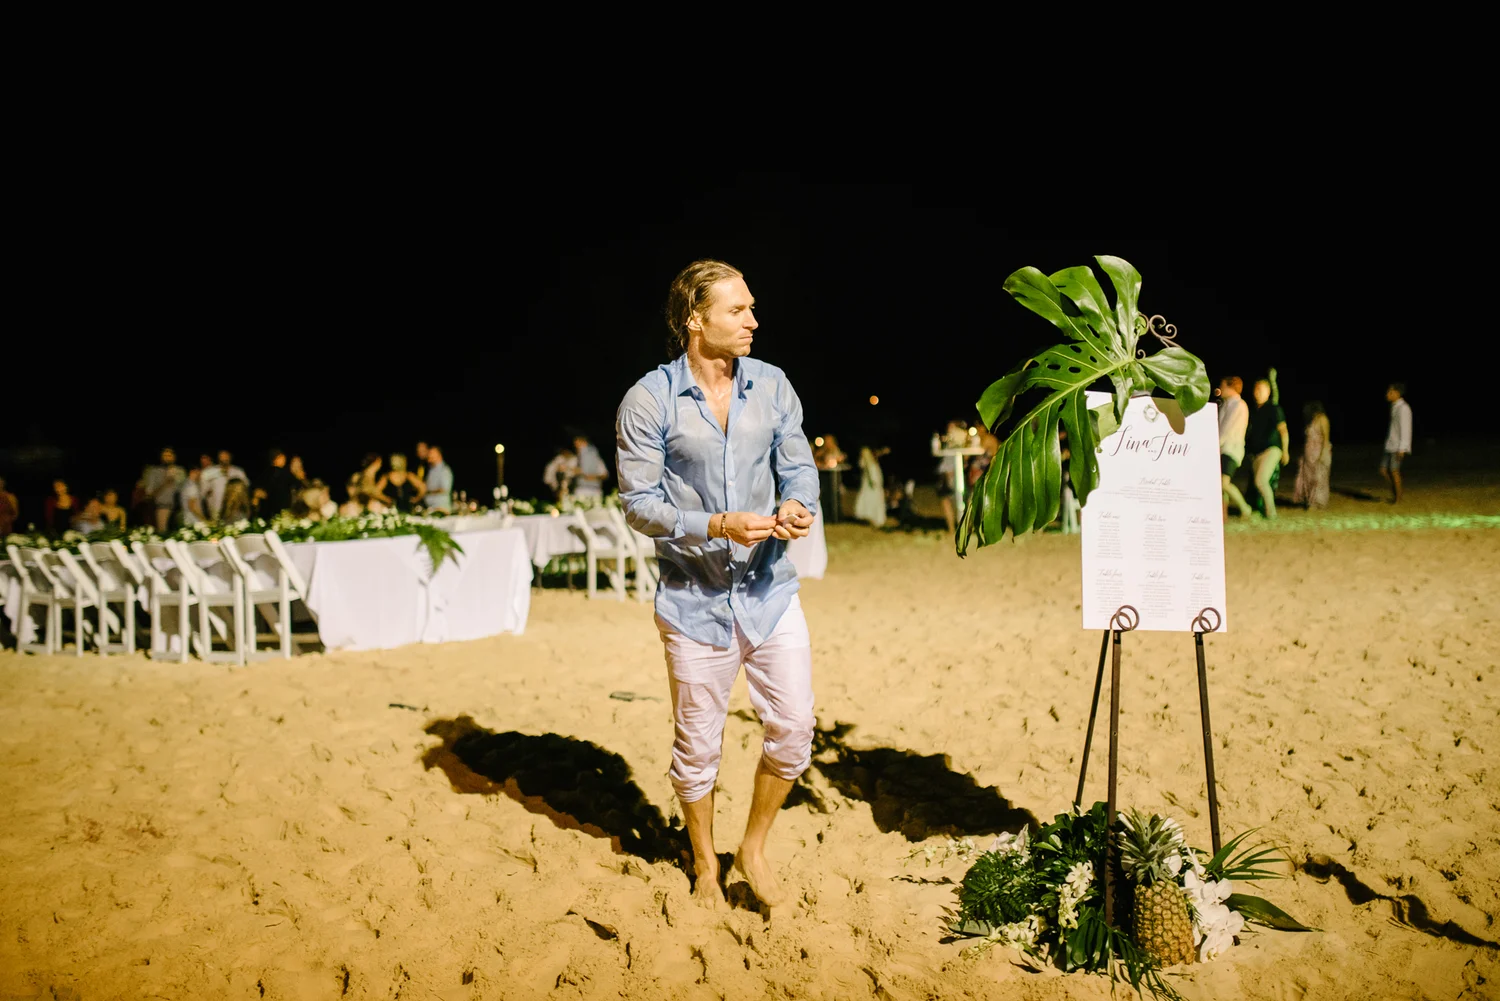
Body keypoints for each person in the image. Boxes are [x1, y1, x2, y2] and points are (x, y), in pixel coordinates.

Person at [617, 259, 819, 911]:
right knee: (698, 748)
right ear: (695, 320)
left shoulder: (774, 385)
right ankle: (705, 860)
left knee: (794, 726)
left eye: (751, 307)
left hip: (769, 592)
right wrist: (715, 523)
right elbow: (639, 503)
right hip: (693, 601)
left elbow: (799, 465)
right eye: (738, 310)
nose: (754, 320)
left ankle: (752, 847)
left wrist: (798, 504)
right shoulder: (649, 399)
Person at [1246, 373, 1289, 519]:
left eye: (1261, 389)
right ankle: (1261, 509)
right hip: (1256, 453)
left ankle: (1271, 513)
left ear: (1268, 391)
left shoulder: (1274, 408)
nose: (1257, 392)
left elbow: (1283, 430)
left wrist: (1285, 451)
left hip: (1271, 449)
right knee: (1258, 483)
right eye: (1256, 389)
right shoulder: (1254, 411)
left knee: (1261, 481)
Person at [1216, 377, 1252, 520]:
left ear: (1231, 387)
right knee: (1220, 484)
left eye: (1223, 386)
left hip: (1231, 449)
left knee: (1223, 483)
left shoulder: (1239, 405)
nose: (1220, 389)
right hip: (1222, 449)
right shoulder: (1226, 405)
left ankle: (1245, 507)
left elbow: (1227, 430)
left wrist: (1214, 446)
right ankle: (1223, 513)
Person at [1293, 401, 1332, 510]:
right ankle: (1307, 500)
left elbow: (1326, 438)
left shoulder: (1322, 419)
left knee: (1318, 478)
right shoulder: (1311, 420)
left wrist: (1323, 454)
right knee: (1308, 478)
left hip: (1318, 452)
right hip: (1309, 454)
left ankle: (1317, 502)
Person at [1380, 383, 1412, 504]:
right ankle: (1396, 492)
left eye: (1390, 392)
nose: (1387, 394)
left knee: (1394, 471)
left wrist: (1402, 448)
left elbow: (1406, 428)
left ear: (1398, 393)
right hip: (1390, 444)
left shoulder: (1403, 408)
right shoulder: (1394, 406)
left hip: (1397, 445)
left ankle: (1398, 498)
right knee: (1383, 470)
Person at [141, 448, 186, 532]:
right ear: (161, 457)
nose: (167, 458)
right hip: (163, 507)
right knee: (163, 533)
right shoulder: (154, 471)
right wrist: (165, 483)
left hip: (180, 509)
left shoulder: (180, 471)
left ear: (174, 457)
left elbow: (184, 489)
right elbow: (149, 494)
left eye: (170, 455)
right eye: (165, 455)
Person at [202, 450, 247, 521]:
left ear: (230, 457)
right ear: (218, 458)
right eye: (221, 457)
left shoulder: (238, 471)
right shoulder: (209, 472)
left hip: (235, 510)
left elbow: (245, 488)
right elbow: (203, 493)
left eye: (226, 457)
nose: (224, 459)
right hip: (216, 509)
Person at [256, 449, 298, 518]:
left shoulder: (266, 472)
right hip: (280, 505)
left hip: (269, 507)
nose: (284, 460)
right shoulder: (283, 472)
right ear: (275, 459)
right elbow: (296, 484)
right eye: (282, 458)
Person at [854, 446, 888, 527]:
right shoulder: (866, 464)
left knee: (875, 500)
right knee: (870, 499)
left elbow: (876, 476)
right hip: (869, 486)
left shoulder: (872, 464)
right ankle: (870, 517)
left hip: (874, 486)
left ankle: (876, 518)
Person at [572, 433, 610, 501]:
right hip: (581, 488)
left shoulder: (594, 456)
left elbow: (605, 475)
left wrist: (592, 476)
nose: (577, 447)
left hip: (593, 489)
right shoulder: (577, 458)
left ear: (584, 442)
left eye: (578, 444)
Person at [423, 445, 453, 513]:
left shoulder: (444, 470)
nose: (429, 455)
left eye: (432, 453)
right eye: (429, 453)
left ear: (439, 455)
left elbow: (444, 489)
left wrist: (427, 491)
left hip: (440, 509)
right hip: (430, 508)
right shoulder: (431, 470)